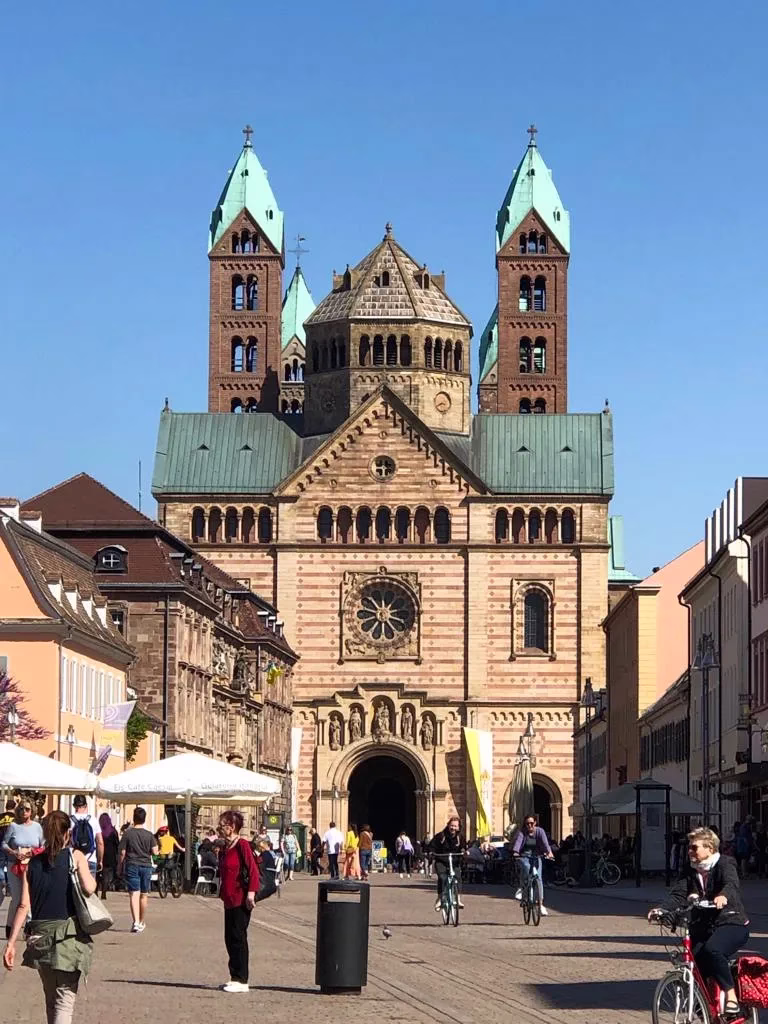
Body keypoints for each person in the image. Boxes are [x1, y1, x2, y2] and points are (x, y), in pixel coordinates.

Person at [3, 809, 97, 1024]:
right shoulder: (75, 857)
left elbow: (23, 905)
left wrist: (10, 943)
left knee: (51, 999)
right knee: (64, 1002)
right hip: (68, 937)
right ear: (67, 833)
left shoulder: (32, 864)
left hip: (40, 938)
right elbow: (90, 888)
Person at [649, 827, 749, 1019]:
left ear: (709, 848)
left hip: (731, 922)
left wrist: (722, 896)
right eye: (689, 847)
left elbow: (731, 884)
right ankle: (705, 1007)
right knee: (695, 960)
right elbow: (679, 894)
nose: (690, 851)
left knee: (713, 950)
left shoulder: (724, 863)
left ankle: (731, 997)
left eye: (694, 848)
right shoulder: (690, 870)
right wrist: (662, 909)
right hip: (704, 925)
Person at [217, 810, 260, 993]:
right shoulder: (228, 846)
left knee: (238, 938)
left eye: (223, 824)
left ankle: (242, 979)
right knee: (229, 938)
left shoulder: (242, 844)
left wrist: (251, 893)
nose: (220, 827)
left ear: (232, 826)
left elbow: (252, 870)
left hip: (241, 898)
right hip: (229, 898)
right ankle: (234, 976)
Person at [2, 798, 44, 940]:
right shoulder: (13, 826)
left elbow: (43, 845)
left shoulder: (37, 827)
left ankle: (29, 928)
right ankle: (10, 927)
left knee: (29, 898)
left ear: (32, 811)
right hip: (15, 865)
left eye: (27, 809)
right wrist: (14, 852)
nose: (24, 811)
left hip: (32, 865)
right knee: (17, 899)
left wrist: (33, 852)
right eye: (21, 809)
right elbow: (3, 844)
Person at [117, 807, 158, 934]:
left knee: (134, 893)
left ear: (134, 818)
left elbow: (122, 852)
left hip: (132, 864)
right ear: (144, 819)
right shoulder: (149, 835)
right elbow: (155, 851)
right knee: (144, 894)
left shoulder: (128, 834)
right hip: (146, 865)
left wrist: (119, 865)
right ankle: (141, 921)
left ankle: (135, 922)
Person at [512, 814, 554, 916]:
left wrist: (549, 853)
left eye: (531, 823)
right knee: (526, 867)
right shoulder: (522, 832)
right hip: (524, 856)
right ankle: (522, 889)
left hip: (537, 856)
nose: (529, 825)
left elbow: (545, 844)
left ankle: (540, 905)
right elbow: (518, 843)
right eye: (527, 824)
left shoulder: (540, 831)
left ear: (535, 823)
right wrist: (516, 852)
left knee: (538, 878)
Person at [429, 816, 465, 912]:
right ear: (448, 825)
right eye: (451, 825)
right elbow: (432, 846)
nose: (453, 828)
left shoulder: (460, 837)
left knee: (458, 877)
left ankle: (458, 899)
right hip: (441, 860)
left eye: (455, 826)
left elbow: (463, 847)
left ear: (458, 827)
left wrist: (464, 851)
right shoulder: (440, 836)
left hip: (454, 861)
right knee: (442, 877)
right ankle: (440, 898)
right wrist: (431, 852)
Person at [70, 795, 103, 880]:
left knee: (73, 890)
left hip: (74, 859)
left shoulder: (69, 820)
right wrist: (100, 861)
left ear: (74, 805)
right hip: (90, 859)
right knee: (90, 889)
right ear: (86, 805)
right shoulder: (93, 820)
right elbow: (100, 842)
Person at [98, 813, 119, 900]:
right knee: (106, 874)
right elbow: (117, 843)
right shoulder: (113, 831)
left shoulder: (98, 830)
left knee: (97, 873)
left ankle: (95, 891)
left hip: (98, 853)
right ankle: (103, 892)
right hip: (109, 855)